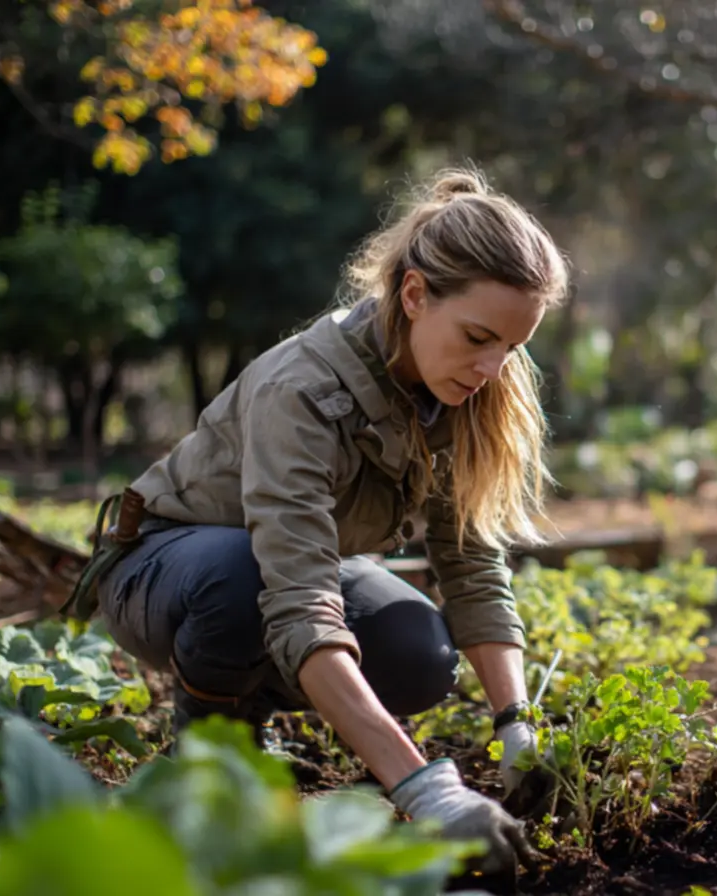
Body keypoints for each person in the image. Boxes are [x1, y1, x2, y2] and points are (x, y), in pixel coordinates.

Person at [66, 166, 570, 879]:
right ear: (416, 294)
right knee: (242, 584)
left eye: (512, 348)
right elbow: (297, 598)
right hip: (162, 569)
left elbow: (470, 561)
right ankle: (210, 753)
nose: (492, 368)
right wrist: (427, 789)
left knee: (418, 650)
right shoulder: (301, 390)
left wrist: (517, 724)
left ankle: (256, 719)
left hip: (281, 566)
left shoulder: (460, 384)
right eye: (479, 337)